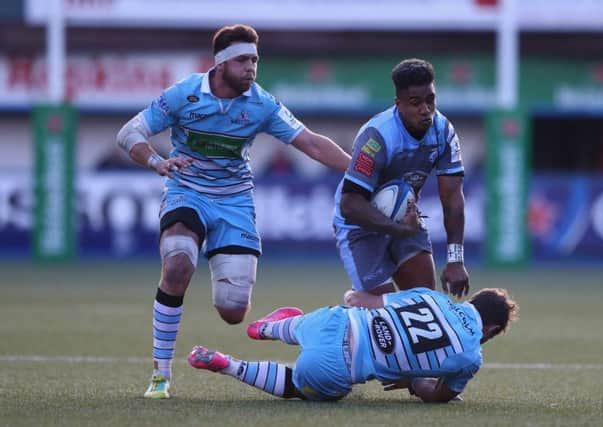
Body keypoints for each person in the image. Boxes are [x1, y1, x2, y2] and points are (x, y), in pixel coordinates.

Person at [115, 24, 350, 399]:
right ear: (221, 63)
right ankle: (160, 375)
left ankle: (275, 321)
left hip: (234, 202)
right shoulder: (184, 94)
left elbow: (311, 143)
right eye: (243, 60)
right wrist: (156, 161)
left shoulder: (262, 104)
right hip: (186, 192)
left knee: (232, 310)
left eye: (255, 60)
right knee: (177, 263)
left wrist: (361, 172)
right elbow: (129, 133)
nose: (251, 67)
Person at [188, 287, 518, 402]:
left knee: (310, 323)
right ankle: (228, 364)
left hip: (338, 319)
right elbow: (438, 397)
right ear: (489, 329)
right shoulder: (471, 357)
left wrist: (352, 297)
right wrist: (415, 382)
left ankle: (270, 328)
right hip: (337, 367)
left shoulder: (431, 296)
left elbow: (369, 301)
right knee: (301, 388)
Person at [333, 58, 469, 299]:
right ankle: (355, 302)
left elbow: (453, 199)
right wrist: (396, 228)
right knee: (382, 316)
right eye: (415, 103)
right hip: (360, 227)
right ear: (398, 104)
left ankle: (362, 300)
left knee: (426, 306)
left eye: (430, 100)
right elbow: (349, 204)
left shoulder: (444, 132)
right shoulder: (377, 137)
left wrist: (455, 260)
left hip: (406, 220)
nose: (425, 110)